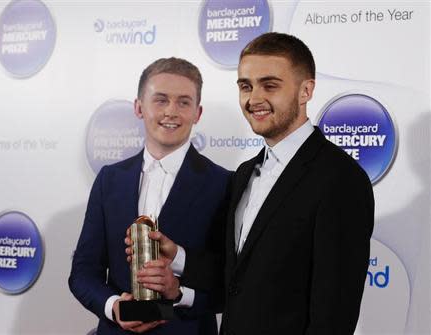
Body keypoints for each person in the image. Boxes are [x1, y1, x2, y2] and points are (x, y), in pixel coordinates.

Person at [132, 33, 374, 335]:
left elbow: (334, 312)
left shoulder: (340, 179)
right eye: (245, 86)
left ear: (306, 91)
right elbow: (239, 279)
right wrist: (177, 255)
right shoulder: (246, 173)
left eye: (270, 85)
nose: (254, 98)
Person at [69, 57, 231, 335]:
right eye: (160, 99)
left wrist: (179, 291)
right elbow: (83, 272)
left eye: (183, 102)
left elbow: (231, 282)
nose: (171, 111)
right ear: (138, 107)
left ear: (198, 113)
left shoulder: (224, 183)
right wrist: (112, 306)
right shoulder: (110, 179)